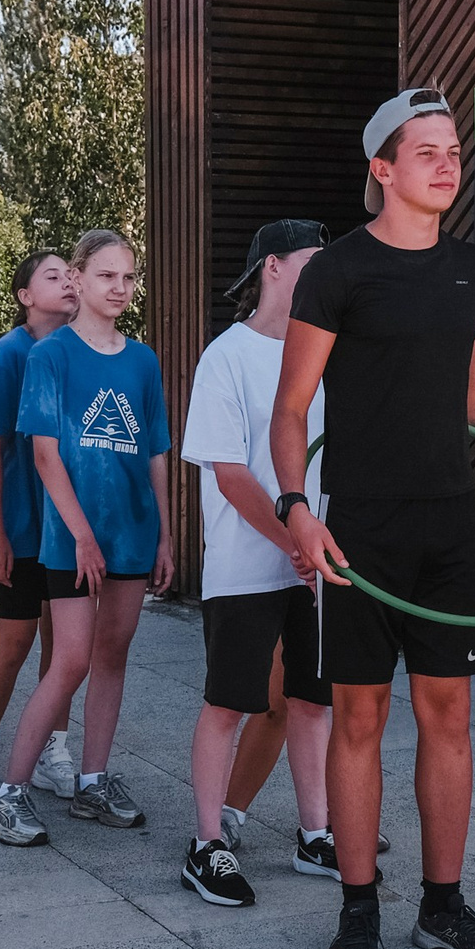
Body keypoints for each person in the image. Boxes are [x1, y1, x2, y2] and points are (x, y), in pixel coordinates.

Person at [273, 89, 475, 949]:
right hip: (361, 530)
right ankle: (358, 909)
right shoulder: (334, 271)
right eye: (427, 152)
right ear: (383, 169)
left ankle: (443, 905)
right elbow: (292, 408)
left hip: (450, 524)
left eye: (454, 151)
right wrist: (298, 505)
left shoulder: (472, 269)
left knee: (448, 714)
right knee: (361, 717)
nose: (448, 164)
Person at [0, 231, 173, 845]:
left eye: (129, 278)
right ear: (81, 280)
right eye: (107, 276)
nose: (120, 288)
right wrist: (83, 536)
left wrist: (165, 535)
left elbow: (155, 454)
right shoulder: (50, 355)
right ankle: (8, 796)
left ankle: (92, 781)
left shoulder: (142, 360)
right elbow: (43, 454)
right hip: (71, 539)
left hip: (132, 534)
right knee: (69, 660)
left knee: (112, 659)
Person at [180, 220, 337, 905]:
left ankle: (316, 832)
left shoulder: (328, 354)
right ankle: (207, 843)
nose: (324, 277)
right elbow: (230, 473)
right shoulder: (227, 356)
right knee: (228, 703)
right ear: (272, 266)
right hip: (249, 567)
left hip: (314, 567)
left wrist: (318, 545)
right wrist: (294, 541)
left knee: (310, 700)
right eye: (312, 263)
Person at [0, 250, 82, 810]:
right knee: (15, 639)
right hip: (26, 528)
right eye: (53, 276)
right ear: (25, 296)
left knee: (67, 647)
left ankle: (56, 750)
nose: (68, 283)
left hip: (71, 530)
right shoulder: (11, 353)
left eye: (70, 274)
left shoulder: (83, 349)